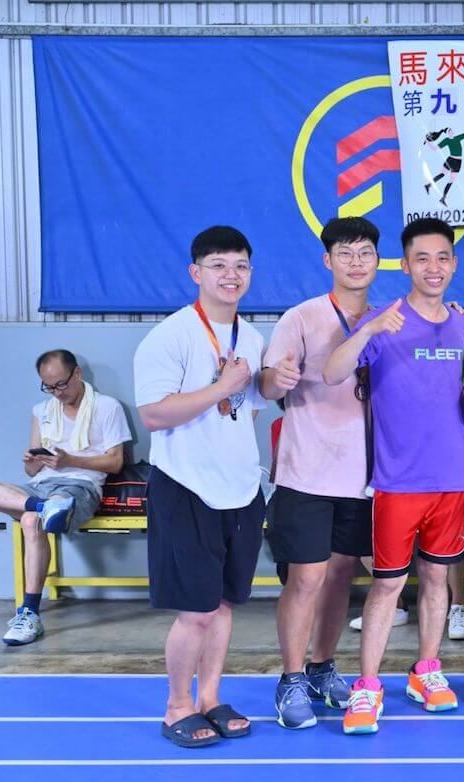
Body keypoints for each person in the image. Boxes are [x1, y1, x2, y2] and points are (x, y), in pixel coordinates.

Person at [323, 218, 464, 734]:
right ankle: (367, 686)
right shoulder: (383, 320)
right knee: (387, 584)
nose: (433, 267)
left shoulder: (463, 325)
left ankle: (426, 670)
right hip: (396, 482)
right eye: (422, 258)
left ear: (453, 264)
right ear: (405, 265)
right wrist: (367, 329)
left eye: (442, 258)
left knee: (437, 579)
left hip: (451, 477)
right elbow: (332, 373)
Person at [133, 225, 267, 747]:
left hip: (240, 489)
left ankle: (210, 697)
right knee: (196, 611)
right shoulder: (171, 336)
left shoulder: (251, 337)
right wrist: (221, 387)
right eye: (219, 265)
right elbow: (153, 414)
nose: (231, 275)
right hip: (186, 487)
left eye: (240, 266)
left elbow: (246, 411)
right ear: (196, 272)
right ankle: (177, 706)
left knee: (225, 604)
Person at [259, 217, 379, 729]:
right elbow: (269, 384)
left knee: (340, 578)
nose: (356, 262)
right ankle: (290, 679)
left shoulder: (387, 319)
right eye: (345, 253)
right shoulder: (301, 317)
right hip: (306, 474)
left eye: (365, 253)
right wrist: (277, 378)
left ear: (378, 261)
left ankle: (322, 666)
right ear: (328, 260)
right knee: (305, 578)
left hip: (362, 477)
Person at [0, 350, 130, 645]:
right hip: (41, 485)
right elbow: (31, 471)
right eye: (49, 387)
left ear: (77, 374)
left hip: (79, 486)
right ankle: (45, 507)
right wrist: (32, 461)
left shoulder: (107, 407)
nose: (57, 393)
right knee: (33, 513)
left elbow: (116, 462)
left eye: (61, 384)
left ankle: (29, 614)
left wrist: (70, 461)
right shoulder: (41, 410)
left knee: (31, 522)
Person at [424, 124, 464, 206]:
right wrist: (427, 142)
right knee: (442, 174)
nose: (452, 131)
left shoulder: (457, 137)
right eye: (450, 131)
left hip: (458, 162)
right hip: (451, 160)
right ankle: (428, 185)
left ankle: (443, 198)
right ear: (447, 133)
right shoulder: (446, 140)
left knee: (451, 180)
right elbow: (435, 149)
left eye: (452, 130)